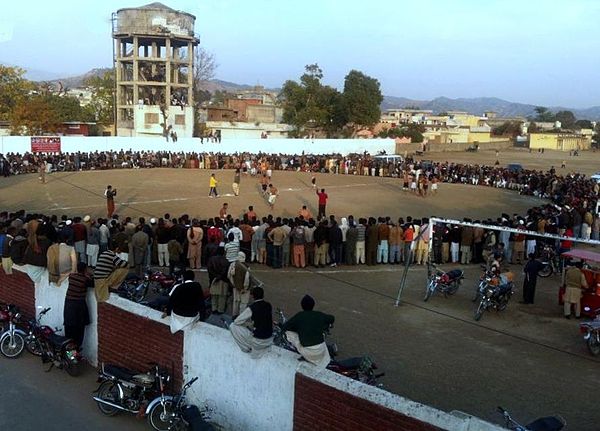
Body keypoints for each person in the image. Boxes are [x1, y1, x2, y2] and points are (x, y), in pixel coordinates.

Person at [282, 295, 335, 368]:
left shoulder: (300, 315)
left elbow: (285, 327)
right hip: (321, 351)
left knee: (288, 333)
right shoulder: (319, 314)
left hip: (308, 352)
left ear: (302, 305)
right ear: (313, 305)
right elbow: (332, 318)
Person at [230, 286, 273, 358]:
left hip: (258, 341)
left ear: (252, 296)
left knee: (233, 326)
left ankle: (245, 348)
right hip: (269, 339)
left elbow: (237, 321)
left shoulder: (252, 307)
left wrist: (245, 324)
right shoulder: (268, 305)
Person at [63, 262, 93, 348]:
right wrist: (88, 275)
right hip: (78, 306)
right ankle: (76, 349)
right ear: (85, 270)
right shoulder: (85, 279)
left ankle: (68, 349)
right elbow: (93, 283)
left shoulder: (71, 276)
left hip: (69, 304)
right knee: (79, 330)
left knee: (69, 328)